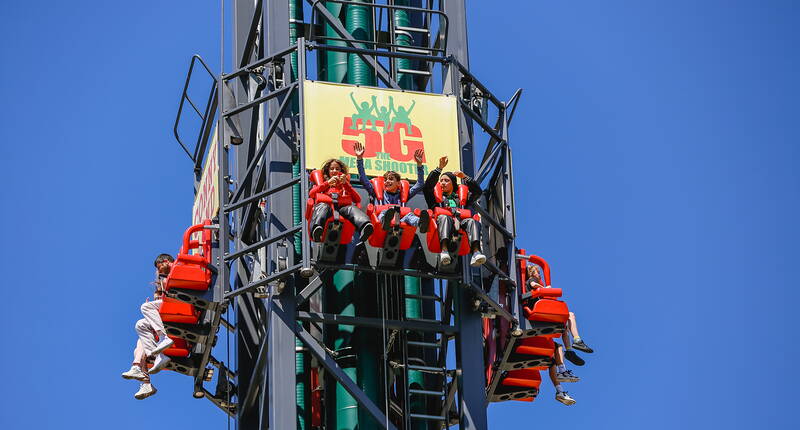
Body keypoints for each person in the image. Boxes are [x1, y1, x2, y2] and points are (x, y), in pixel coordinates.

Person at [120, 254, 177, 399]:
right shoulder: (165, 280)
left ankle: (162, 341)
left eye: (160, 267)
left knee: (145, 308)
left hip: (176, 305)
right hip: (168, 311)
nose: (159, 272)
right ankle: (143, 375)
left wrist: (155, 303)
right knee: (140, 328)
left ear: (166, 261)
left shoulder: (177, 268)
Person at [422, 156, 486, 267]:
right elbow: (427, 186)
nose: (442, 183)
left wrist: (465, 177)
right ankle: (444, 251)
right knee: (444, 217)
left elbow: (477, 192)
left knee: (472, 221)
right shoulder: (435, 199)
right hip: (442, 225)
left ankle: (476, 252)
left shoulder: (461, 199)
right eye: (441, 181)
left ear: (453, 184)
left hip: (460, 223)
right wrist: (439, 169)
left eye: (446, 181)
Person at [527, 264, 594, 366]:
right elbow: (533, 285)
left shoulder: (533, 281)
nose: (540, 275)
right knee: (570, 315)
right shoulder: (532, 279)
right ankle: (577, 340)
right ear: (532, 273)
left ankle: (569, 351)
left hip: (540, 309)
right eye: (538, 273)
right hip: (538, 309)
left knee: (564, 326)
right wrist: (546, 289)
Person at [353, 142, 430, 231]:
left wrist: (419, 165)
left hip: (400, 222)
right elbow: (363, 179)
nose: (387, 182)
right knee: (385, 212)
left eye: (390, 179)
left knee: (409, 216)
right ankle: (386, 221)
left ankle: (421, 223)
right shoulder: (377, 192)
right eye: (385, 180)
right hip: (381, 224)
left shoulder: (403, 195)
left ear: (398, 183)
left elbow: (420, 184)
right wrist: (359, 158)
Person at [309, 158, 374, 243]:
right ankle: (317, 229)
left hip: (341, 208)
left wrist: (346, 184)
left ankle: (365, 225)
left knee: (351, 209)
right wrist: (327, 183)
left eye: (337, 169)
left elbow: (357, 199)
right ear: (328, 171)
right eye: (332, 169)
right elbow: (312, 194)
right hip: (327, 209)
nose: (334, 171)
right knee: (323, 207)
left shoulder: (344, 185)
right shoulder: (323, 183)